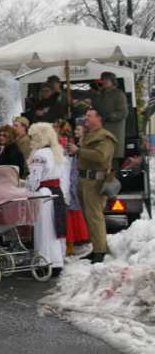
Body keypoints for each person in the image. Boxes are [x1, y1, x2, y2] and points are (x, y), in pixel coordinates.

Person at [66, 108, 117, 264]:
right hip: (84, 181)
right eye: (85, 116)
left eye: (89, 116)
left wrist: (79, 151)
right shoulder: (88, 135)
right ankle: (96, 248)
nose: (85, 118)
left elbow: (101, 157)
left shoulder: (105, 137)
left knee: (95, 217)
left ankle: (100, 251)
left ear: (99, 118)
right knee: (89, 217)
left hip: (95, 182)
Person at [26, 123, 68, 277]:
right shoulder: (56, 152)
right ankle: (57, 261)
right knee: (56, 230)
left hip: (43, 194)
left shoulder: (39, 155)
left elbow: (35, 179)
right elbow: (63, 176)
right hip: (56, 193)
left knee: (43, 230)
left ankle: (44, 262)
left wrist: (27, 188)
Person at [93, 71, 127, 168]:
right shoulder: (99, 94)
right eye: (103, 79)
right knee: (100, 158)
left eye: (107, 80)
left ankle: (112, 181)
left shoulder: (119, 94)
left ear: (113, 81)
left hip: (113, 131)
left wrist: (108, 116)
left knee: (112, 162)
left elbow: (123, 112)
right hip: (100, 131)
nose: (104, 82)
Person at [65, 123, 90, 255]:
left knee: (78, 209)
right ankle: (76, 239)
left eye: (78, 129)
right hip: (73, 179)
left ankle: (82, 238)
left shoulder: (83, 146)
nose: (75, 131)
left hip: (78, 180)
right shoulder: (76, 145)